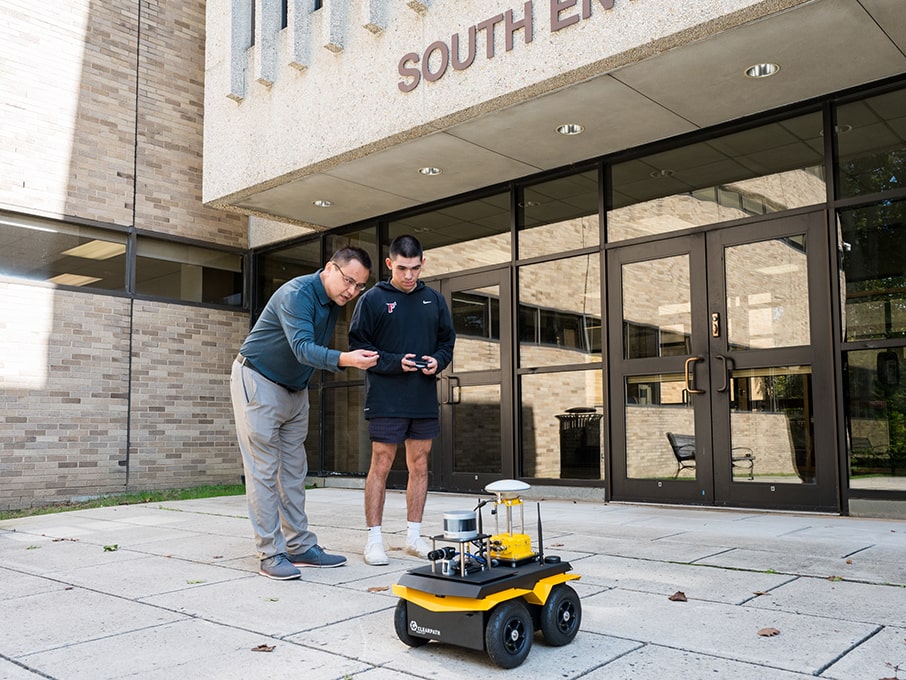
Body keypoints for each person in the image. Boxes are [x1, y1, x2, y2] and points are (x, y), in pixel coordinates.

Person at [231, 246, 379, 580]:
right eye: (349, 281)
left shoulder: (333, 302)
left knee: (294, 472)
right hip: (258, 380)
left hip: (295, 390)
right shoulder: (296, 294)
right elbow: (302, 348)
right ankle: (270, 553)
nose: (352, 292)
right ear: (330, 268)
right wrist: (347, 358)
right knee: (264, 470)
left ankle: (299, 546)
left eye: (359, 287)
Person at [349, 235, 456, 566]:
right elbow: (359, 348)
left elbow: (446, 341)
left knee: (420, 463)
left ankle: (413, 537)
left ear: (423, 263)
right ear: (389, 264)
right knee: (381, 463)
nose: (408, 275)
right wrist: (397, 362)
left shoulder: (434, 300)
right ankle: (374, 540)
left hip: (422, 396)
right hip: (386, 396)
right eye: (401, 268)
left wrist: (439, 360)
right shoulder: (373, 300)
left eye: (414, 268)